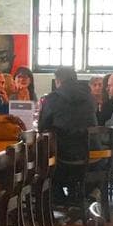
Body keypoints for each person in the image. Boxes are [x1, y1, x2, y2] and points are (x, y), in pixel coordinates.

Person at [38, 67, 97, 205]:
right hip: (91, 157)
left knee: (41, 159)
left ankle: (57, 197)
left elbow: (42, 127)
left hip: (63, 159)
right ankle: (74, 196)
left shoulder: (52, 99)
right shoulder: (89, 97)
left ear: (58, 81)